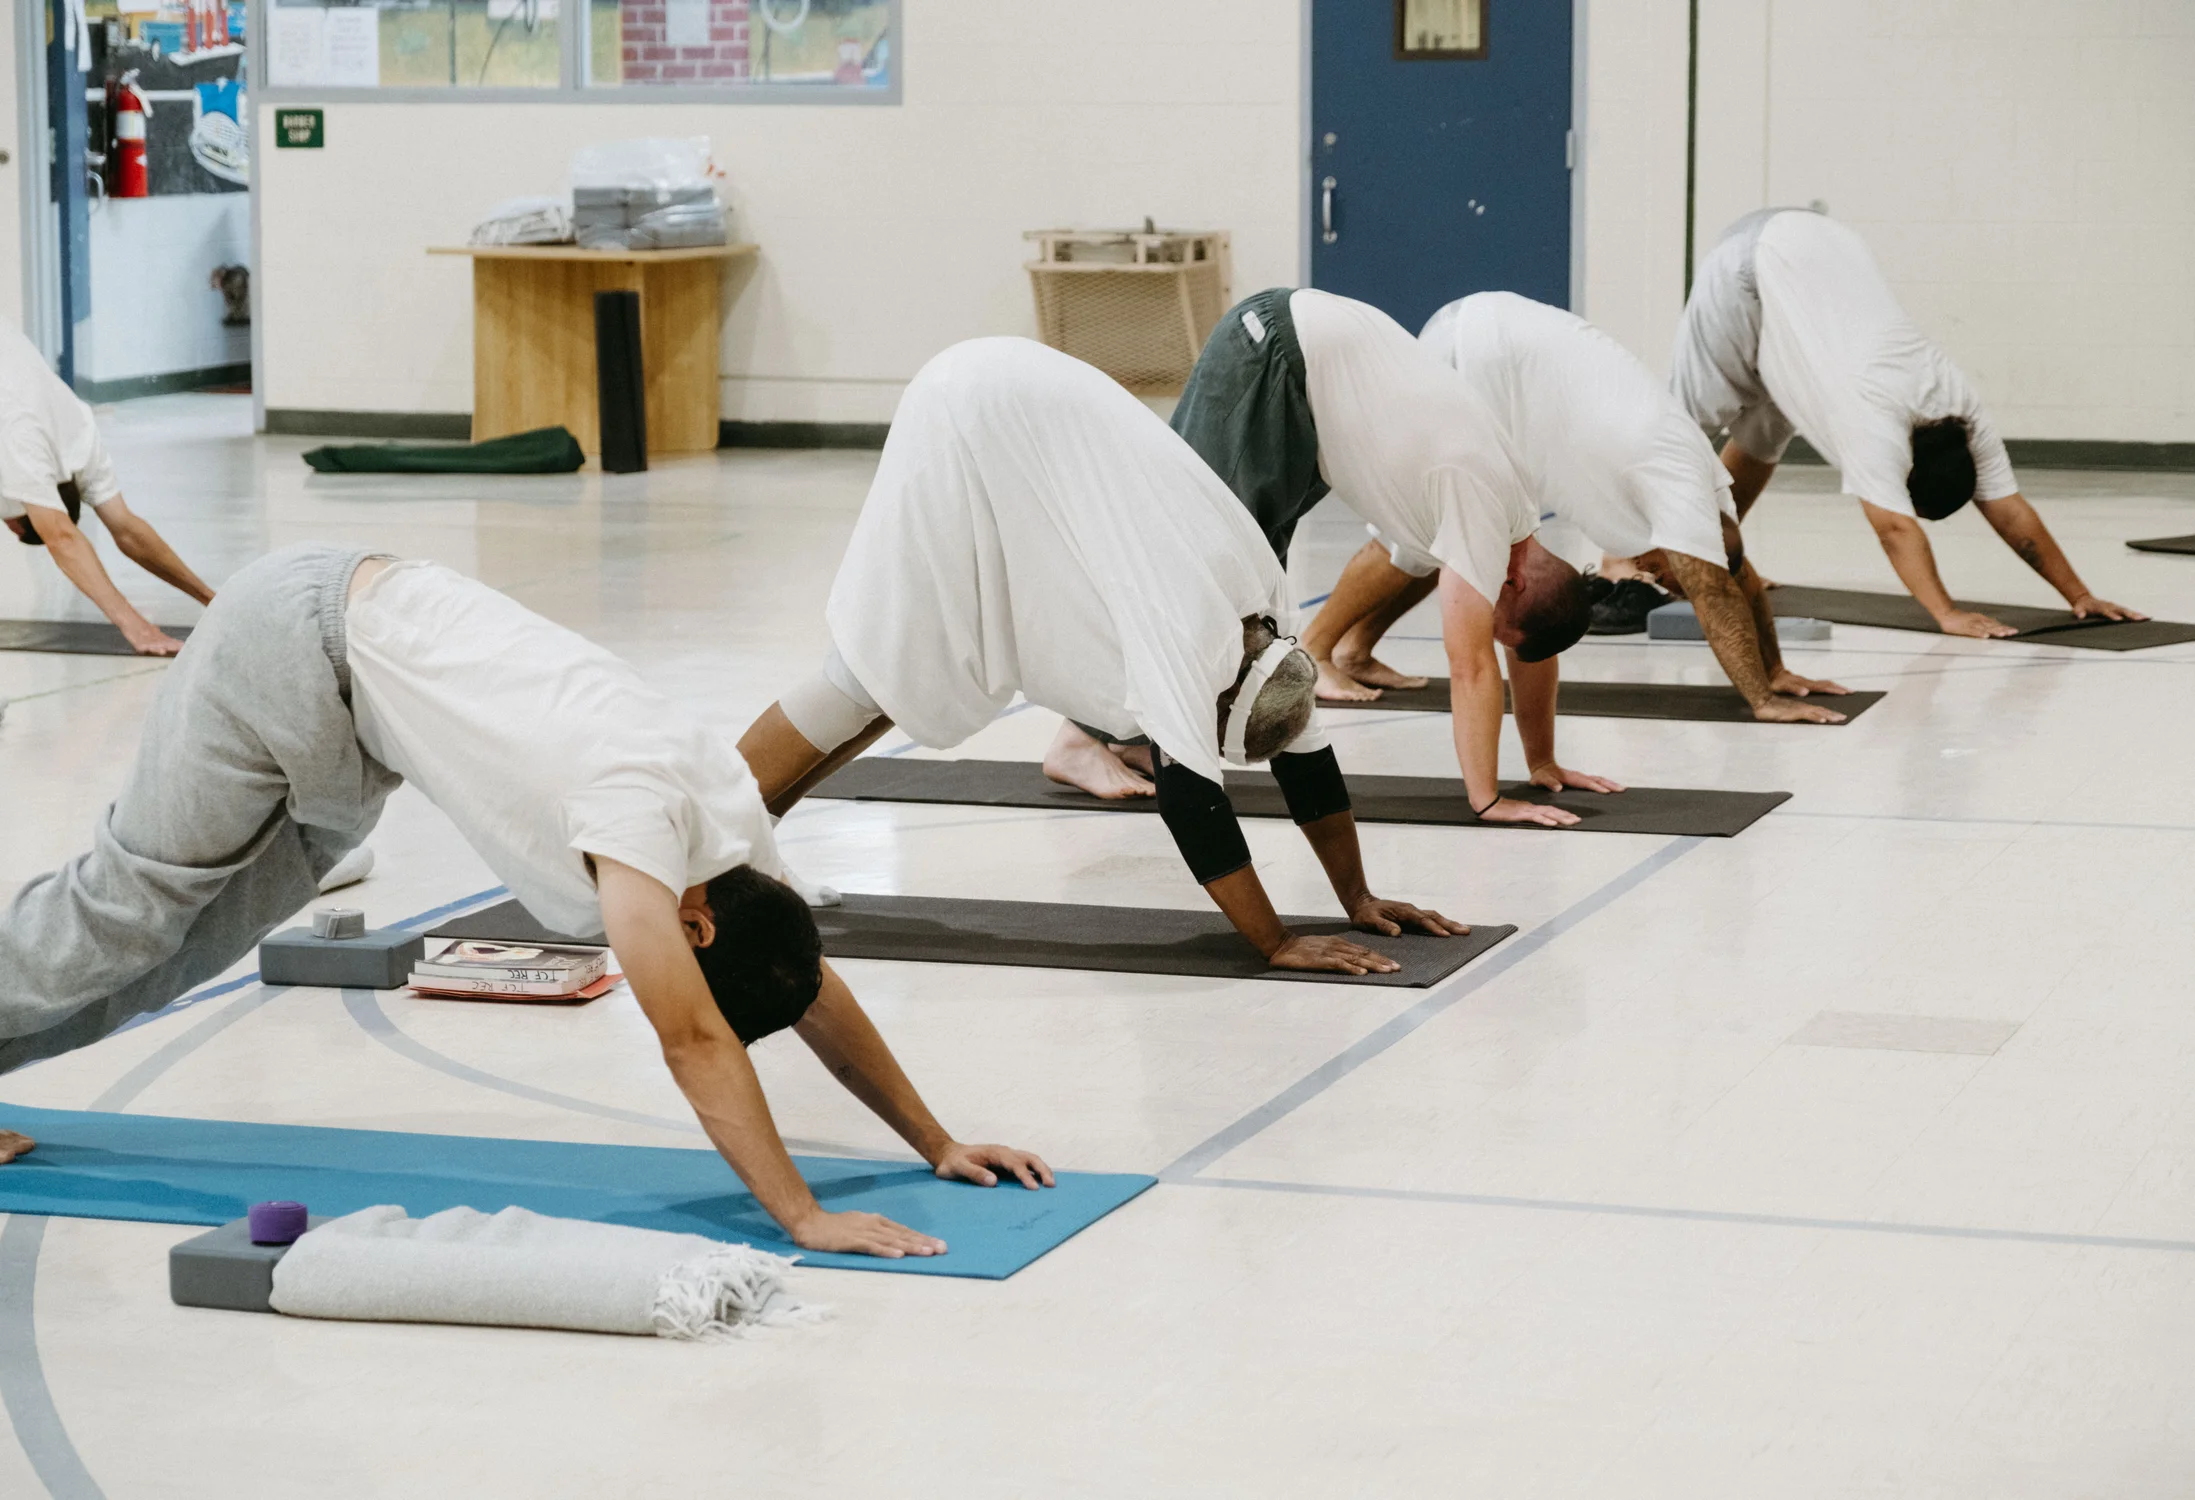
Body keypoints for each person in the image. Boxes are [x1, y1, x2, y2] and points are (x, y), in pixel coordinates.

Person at [0, 544, 1051, 1260]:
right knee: (131, 906)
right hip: (294, 640)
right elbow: (690, 1037)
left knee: (203, 937)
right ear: (694, 925)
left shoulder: (733, 836)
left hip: (349, 701)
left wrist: (936, 1141)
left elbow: (806, 985)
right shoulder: (640, 829)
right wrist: (801, 1213)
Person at [737, 336, 1466, 977]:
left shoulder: (1268, 630)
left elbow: (1308, 769)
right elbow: (1195, 804)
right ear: (1217, 699)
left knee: (906, 676)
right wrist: (1274, 941)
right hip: (971, 413)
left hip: (1024, 420)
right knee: (874, 666)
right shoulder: (1189, 646)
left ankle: (747, 847)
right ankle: (703, 841)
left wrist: (1357, 896)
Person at [1306, 291, 1852, 725]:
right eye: (1670, 577)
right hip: (1477, 353)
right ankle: (1314, 654)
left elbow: (1736, 574)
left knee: (1447, 540)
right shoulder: (1680, 488)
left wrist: (1776, 668)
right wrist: (1762, 698)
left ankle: (1356, 653)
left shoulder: (1711, 504)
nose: (1659, 581)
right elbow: (1714, 591)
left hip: (1503, 349)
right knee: (1416, 535)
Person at [1167, 287, 1602, 827]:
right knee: (1188, 553)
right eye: (1499, 625)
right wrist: (1488, 799)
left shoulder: (1519, 526)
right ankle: (1086, 741)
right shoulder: (1484, 510)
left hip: (1307, 392)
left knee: (1245, 582)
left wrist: (1542, 761)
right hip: (1276, 350)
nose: (1490, 629)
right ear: (1513, 586)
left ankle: (1139, 737)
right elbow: (1471, 666)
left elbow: (1529, 649)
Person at [1666, 207, 2141, 638]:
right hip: (1750, 259)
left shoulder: (1960, 407)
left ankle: (1720, 559)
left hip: (1826, 244)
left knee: (1762, 435)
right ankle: (1621, 563)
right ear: (1905, 469)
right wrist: (1946, 614)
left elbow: (2010, 510)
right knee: (1679, 429)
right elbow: (1895, 529)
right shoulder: (1875, 426)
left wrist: (2079, 595)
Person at [0, 324, 214, 655]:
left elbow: (111, 531)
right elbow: (78, 534)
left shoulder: (44, 438)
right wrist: (137, 626)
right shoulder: (53, 437)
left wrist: (215, 602)